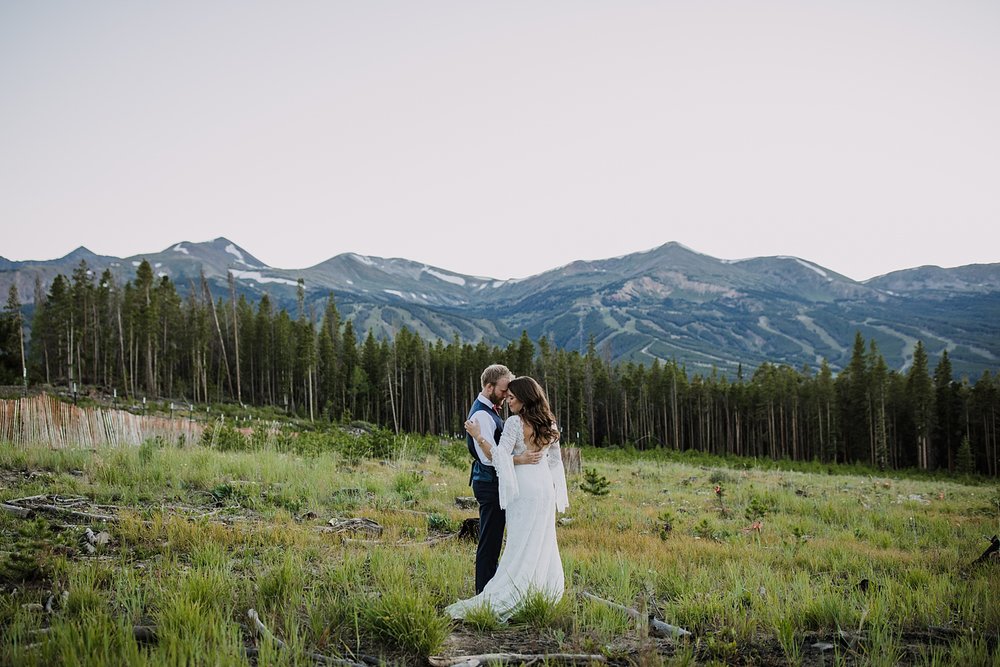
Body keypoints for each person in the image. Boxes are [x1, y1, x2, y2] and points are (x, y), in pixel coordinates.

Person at [447, 375, 570, 621]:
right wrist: (540, 463)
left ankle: (513, 592)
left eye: (512, 398)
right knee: (542, 541)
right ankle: (539, 592)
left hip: (523, 488)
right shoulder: (550, 424)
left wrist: (478, 435)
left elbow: (497, 458)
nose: (508, 401)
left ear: (524, 399)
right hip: (544, 488)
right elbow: (556, 461)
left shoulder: (515, 423)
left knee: (519, 542)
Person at [465, 364, 542, 594]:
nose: (507, 395)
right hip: (489, 484)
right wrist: (521, 459)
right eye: (503, 390)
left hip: (494, 483)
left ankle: (492, 588)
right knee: (490, 542)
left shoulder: (491, 411)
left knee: (495, 540)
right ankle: (483, 593)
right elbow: (490, 459)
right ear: (489, 387)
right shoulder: (481, 415)